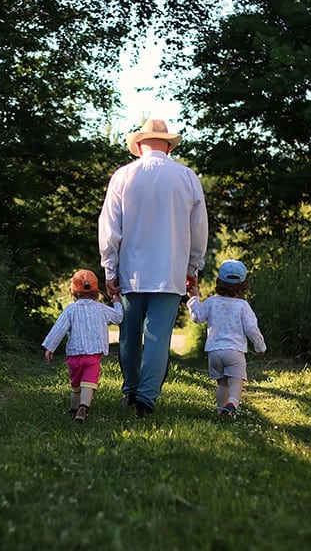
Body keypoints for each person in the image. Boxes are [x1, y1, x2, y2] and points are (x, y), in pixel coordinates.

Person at [98, 118, 208, 418]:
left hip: (130, 271)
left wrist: (110, 269)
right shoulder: (187, 177)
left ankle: (131, 391)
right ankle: (147, 399)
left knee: (129, 335)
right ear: (169, 147)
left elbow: (109, 227)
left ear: (138, 145)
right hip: (170, 270)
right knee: (159, 337)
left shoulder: (123, 176)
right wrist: (193, 266)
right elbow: (198, 228)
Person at [186, 259, 267, 417]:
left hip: (214, 352)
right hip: (235, 352)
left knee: (222, 383)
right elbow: (252, 329)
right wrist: (260, 346)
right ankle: (232, 404)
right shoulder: (243, 306)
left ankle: (221, 411)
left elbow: (197, 317)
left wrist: (194, 297)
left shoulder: (211, 302)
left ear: (219, 282)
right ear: (243, 285)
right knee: (236, 380)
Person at [42, 269, 123, 423]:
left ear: (73, 292)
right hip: (92, 356)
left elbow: (58, 329)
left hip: (74, 356)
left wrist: (50, 348)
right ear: (95, 292)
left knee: (76, 386)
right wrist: (117, 302)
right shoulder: (101, 309)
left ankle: (73, 410)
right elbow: (118, 317)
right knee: (89, 383)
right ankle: (84, 408)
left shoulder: (70, 310)